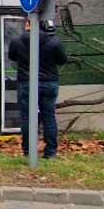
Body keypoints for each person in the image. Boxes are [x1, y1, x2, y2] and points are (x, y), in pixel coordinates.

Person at [8, 19, 68, 158]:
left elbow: (12, 57)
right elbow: (62, 60)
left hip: (27, 82)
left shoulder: (17, 40)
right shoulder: (54, 41)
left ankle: (28, 151)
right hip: (49, 83)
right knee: (49, 117)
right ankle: (50, 152)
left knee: (27, 117)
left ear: (28, 24)